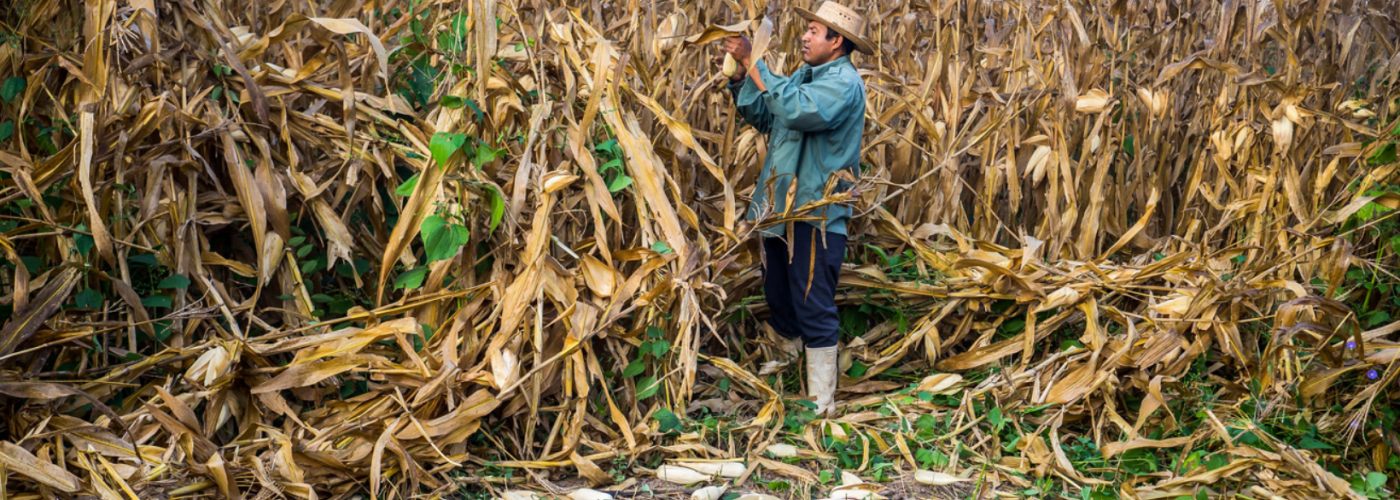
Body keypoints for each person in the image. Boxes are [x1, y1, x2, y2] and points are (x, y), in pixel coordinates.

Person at [717, 1, 873, 417]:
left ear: (837, 42)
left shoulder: (842, 83)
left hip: (814, 215)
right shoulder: (805, 78)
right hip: (778, 212)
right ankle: (787, 378)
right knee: (780, 297)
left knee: (812, 303)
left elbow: (798, 111)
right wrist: (739, 76)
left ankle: (821, 405)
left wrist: (756, 60)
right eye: (807, 29)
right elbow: (769, 116)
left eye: (814, 31)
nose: (804, 36)